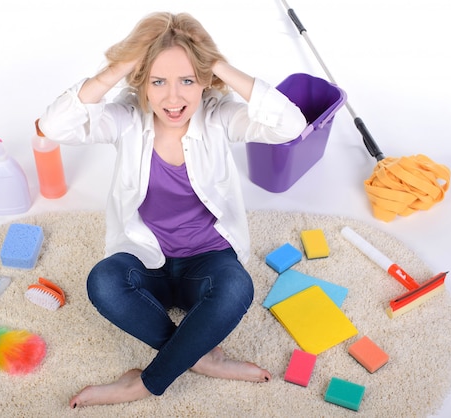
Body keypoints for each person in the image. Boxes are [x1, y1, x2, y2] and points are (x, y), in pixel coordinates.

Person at [35, 11, 307, 408]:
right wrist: (123, 64)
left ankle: (143, 383)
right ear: (141, 82)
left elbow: (291, 125)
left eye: (187, 80)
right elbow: (54, 126)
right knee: (103, 282)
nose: (173, 98)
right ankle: (201, 356)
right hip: (149, 262)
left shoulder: (217, 116)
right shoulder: (128, 117)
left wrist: (214, 63)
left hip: (209, 261)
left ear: (204, 81)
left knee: (237, 288)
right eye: (158, 81)